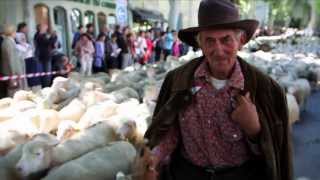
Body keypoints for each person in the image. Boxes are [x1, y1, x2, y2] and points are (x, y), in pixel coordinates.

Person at [144, 1, 292, 180]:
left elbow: (274, 154)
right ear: (200, 43)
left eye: (226, 40)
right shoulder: (178, 80)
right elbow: (168, 131)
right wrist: (155, 158)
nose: (218, 50)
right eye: (209, 41)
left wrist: (254, 130)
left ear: (241, 40)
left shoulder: (265, 89)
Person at [1, 24, 28, 96]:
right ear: (12, 32)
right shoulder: (8, 43)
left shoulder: (10, 42)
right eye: (15, 32)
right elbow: (11, 59)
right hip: (13, 72)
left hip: (14, 71)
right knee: (14, 92)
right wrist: (13, 74)